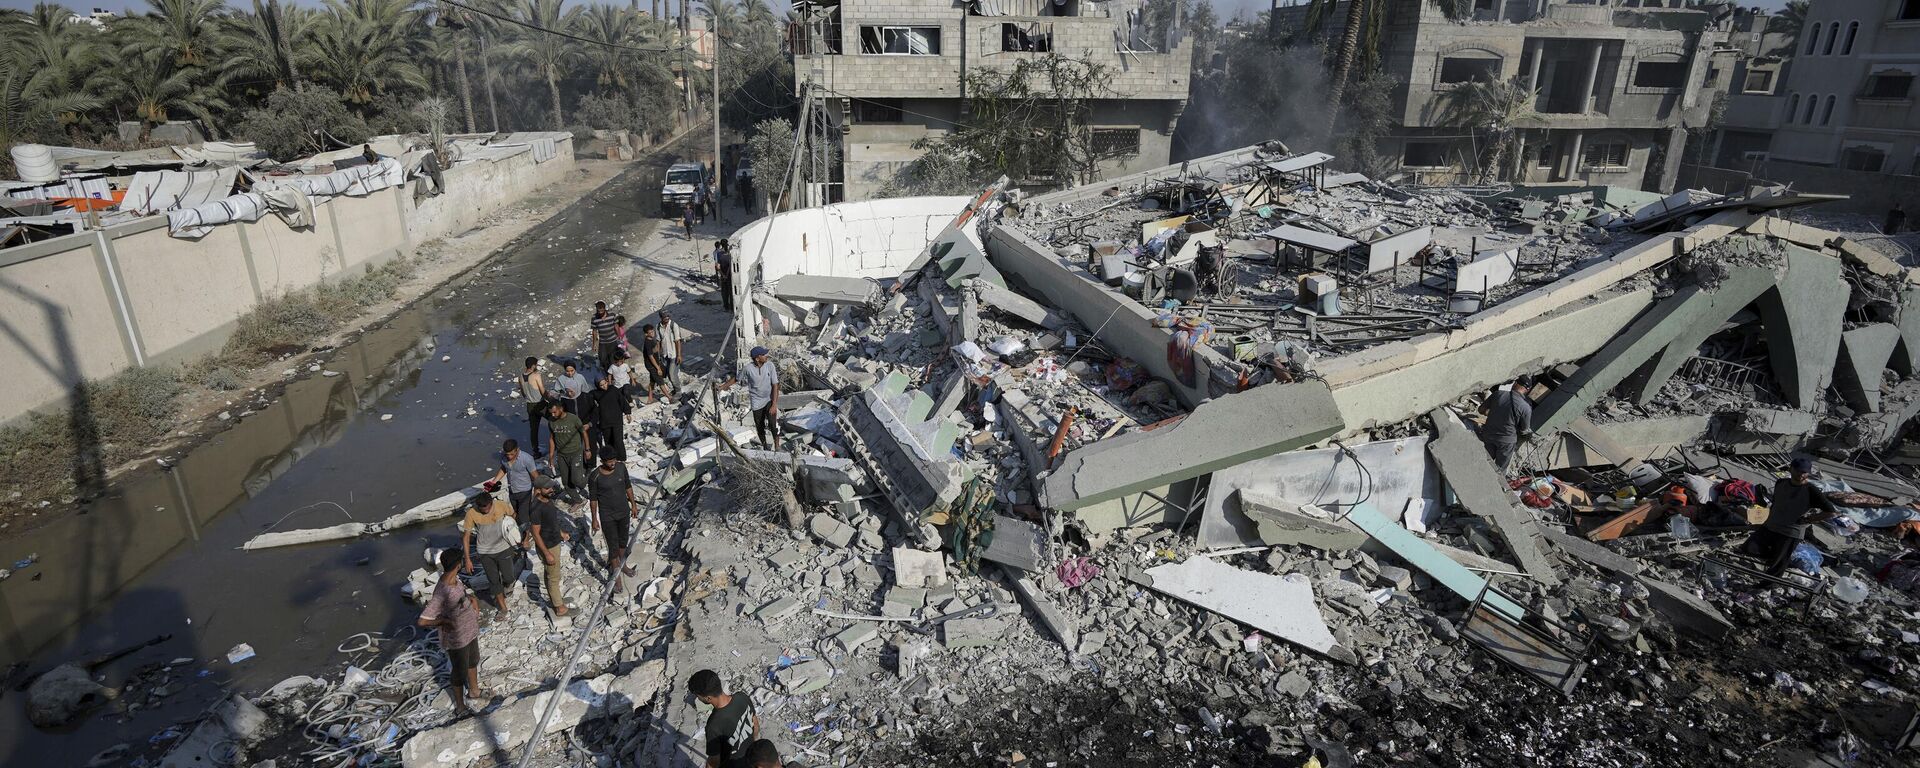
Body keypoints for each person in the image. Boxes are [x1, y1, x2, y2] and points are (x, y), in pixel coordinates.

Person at [418, 548, 489, 715]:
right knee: (459, 671)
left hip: (469, 630)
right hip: (456, 638)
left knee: (473, 661)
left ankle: (474, 691)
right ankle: (460, 707)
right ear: (458, 565)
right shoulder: (442, 592)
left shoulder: (454, 579)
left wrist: (472, 599)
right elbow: (422, 620)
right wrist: (443, 621)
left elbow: (462, 595)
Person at [1754, 457, 1841, 576]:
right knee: (1752, 548)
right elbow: (1776, 502)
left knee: (1778, 563)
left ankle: (1766, 586)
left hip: (1790, 532)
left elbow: (1831, 512)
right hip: (1772, 525)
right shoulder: (1781, 483)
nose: (1801, 474)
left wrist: (1808, 519)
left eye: (1804, 472)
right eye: (1798, 471)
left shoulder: (1811, 490)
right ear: (1791, 469)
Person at [460, 494, 523, 613]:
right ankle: (502, 607)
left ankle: (505, 588)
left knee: (509, 577)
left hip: (504, 548)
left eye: (487, 508)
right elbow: (466, 537)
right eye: (482, 509)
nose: (485, 511)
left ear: (491, 503)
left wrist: (515, 533)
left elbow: (513, 516)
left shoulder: (501, 505)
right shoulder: (471, 513)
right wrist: (467, 559)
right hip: (484, 552)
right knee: (493, 581)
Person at [688, 669, 759, 768]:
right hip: (751, 759)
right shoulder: (742, 697)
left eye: (698, 696)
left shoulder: (713, 725)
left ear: (708, 698)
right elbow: (755, 725)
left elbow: (714, 761)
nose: (698, 699)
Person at [523, 477, 572, 616]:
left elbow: (551, 522)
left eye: (551, 487)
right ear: (538, 490)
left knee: (550, 574)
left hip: (553, 541)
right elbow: (536, 533)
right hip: (549, 546)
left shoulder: (547, 500)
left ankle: (555, 600)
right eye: (547, 488)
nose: (551, 490)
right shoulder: (536, 508)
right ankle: (559, 607)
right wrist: (547, 553)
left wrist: (561, 533)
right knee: (554, 577)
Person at [716, 346, 781, 447]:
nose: (766, 356)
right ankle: (765, 446)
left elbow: (775, 385)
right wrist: (722, 387)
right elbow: (736, 379)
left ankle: (777, 446)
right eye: (763, 355)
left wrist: (774, 404)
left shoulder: (770, 366)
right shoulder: (748, 369)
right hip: (756, 402)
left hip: (769, 399)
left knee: (773, 424)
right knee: (760, 427)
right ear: (757, 358)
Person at [588, 454, 638, 581]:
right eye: (609, 461)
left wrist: (633, 505)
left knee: (623, 541)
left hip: (623, 512)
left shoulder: (621, 468)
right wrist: (594, 518)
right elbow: (593, 500)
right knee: (612, 544)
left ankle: (623, 565)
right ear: (602, 461)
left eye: (614, 460)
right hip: (607, 516)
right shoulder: (595, 476)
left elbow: (628, 486)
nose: (613, 463)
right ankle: (616, 576)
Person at [1478, 375, 1534, 472]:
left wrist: (1492, 413)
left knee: (1485, 463)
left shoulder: (1498, 394)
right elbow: (1524, 429)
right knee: (1500, 471)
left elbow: (1481, 410)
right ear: (1527, 390)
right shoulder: (1526, 407)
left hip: (1489, 435)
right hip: (1506, 442)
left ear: (1515, 383)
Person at [490, 439, 543, 524]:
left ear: (517, 449)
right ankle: (522, 529)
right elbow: (504, 468)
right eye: (507, 454)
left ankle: (527, 534)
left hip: (525, 492)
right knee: (516, 511)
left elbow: (535, 476)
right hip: (512, 491)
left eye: (512, 454)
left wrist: (538, 492)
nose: (509, 457)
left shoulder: (527, 459)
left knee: (523, 517)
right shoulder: (504, 457)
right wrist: (493, 482)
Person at [546, 400, 590, 494]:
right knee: (565, 482)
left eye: (555, 412)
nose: (553, 415)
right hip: (561, 455)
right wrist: (551, 456)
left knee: (576, 480)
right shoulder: (551, 421)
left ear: (561, 409)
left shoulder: (573, 419)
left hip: (575, 453)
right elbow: (552, 438)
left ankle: (589, 481)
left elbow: (584, 433)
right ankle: (578, 501)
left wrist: (587, 449)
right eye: (551, 413)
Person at [584, 375, 631, 460]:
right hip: (605, 421)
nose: (604, 386)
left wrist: (627, 413)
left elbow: (622, 400)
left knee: (618, 440)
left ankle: (621, 458)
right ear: (597, 386)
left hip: (616, 420)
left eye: (605, 383)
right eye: (601, 385)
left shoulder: (613, 389)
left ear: (607, 381)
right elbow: (587, 399)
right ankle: (611, 458)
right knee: (608, 441)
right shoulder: (595, 394)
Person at [520, 357, 548, 457]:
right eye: (536, 365)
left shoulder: (521, 376)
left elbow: (523, 393)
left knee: (534, 429)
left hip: (529, 405)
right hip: (540, 404)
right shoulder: (536, 375)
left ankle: (536, 451)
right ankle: (558, 445)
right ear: (533, 366)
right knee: (554, 421)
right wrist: (551, 400)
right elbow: (542, 391)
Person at [658, 309, 691, 393]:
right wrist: (659, 354)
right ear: (661, 317)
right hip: (665, 354)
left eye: (668, 316)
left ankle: (678, 391)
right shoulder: (658, 327)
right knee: (669, 374)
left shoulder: (673, 325)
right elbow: (659, 341)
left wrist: (679, 355)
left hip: (673, 354)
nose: (667, 318)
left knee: (672, 374)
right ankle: (676, 389)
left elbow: (677, 341)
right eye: (665, 316)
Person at [641, 325, 673, 405]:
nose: (652, 333)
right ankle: (669, 397)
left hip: (655, 363)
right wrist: (658, 368)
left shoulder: (652, 339)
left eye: (653, 331)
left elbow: (656, 350)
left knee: (652, 381)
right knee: (660, 381)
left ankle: (650, 398)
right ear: (646, 334)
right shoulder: (647, 343)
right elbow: (651, 357)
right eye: (650, 332)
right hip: (651, 365)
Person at [590, 300, 621, 373]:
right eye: (598, 311)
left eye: (601, 311)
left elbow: (616, 326)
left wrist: (619, 337)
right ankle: (607, 372)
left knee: (612, 359)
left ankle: (613, 374)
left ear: (604, 309)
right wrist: (594, 344)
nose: (600, 313)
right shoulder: (594, 318)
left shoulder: (612, 315)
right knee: (602, 359)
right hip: (603, 342)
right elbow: (594, 332)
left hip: (612, 341)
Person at [713, 240, 733, 312]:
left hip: (723, 276)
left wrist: (723, 275)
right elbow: (731, 265)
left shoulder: (719, 254)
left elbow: (717, 267)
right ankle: (732, 307)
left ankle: (726, 306)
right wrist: (727, 274)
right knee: (731, 292)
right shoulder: (730, 253)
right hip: (730, 276)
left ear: (721, 245)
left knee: (724, 292)